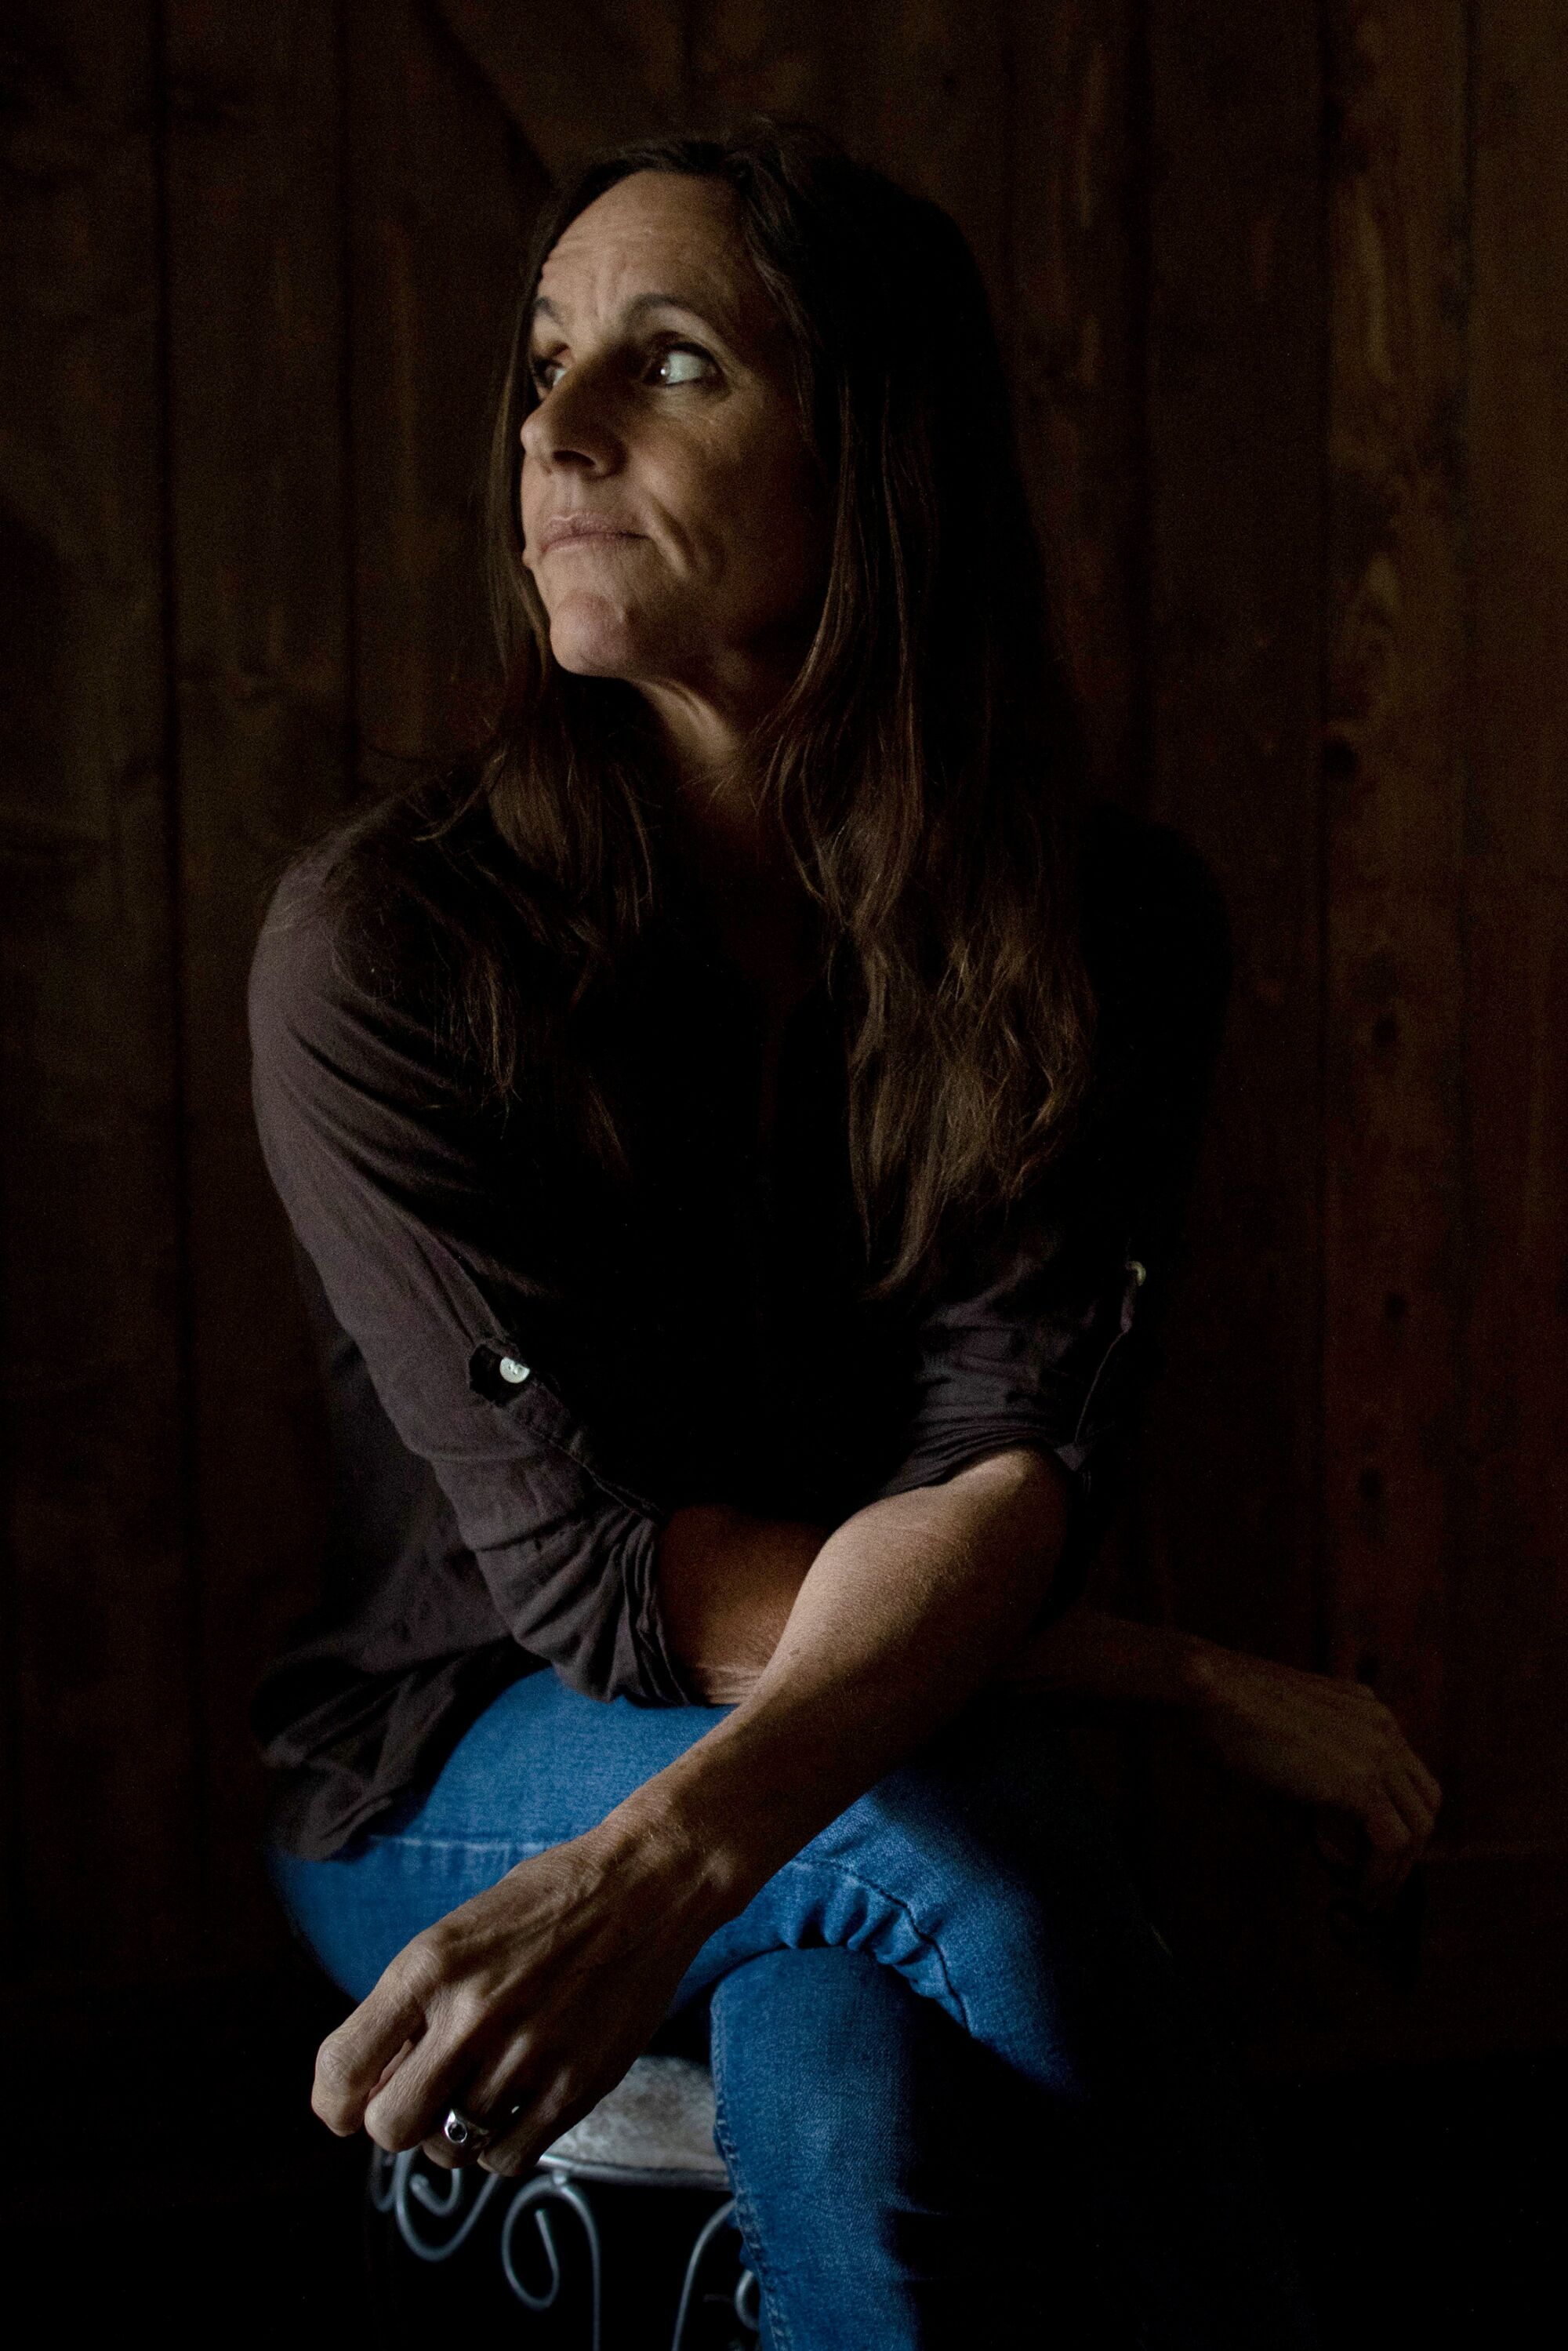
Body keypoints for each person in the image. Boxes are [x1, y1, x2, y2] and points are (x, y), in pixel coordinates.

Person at [248, 122, 1439, 2346]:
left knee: (857, 2079)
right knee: (963, 1850)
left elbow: (1000, 1468)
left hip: (849, 1726)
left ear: (870, 455)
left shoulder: (1102, 928)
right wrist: (1177, 1677)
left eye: (669, 360)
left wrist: (678, 1850)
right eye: (540, 363)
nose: (556, 429)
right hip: (447, 1746)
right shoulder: (388, 945)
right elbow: (604, 1578)